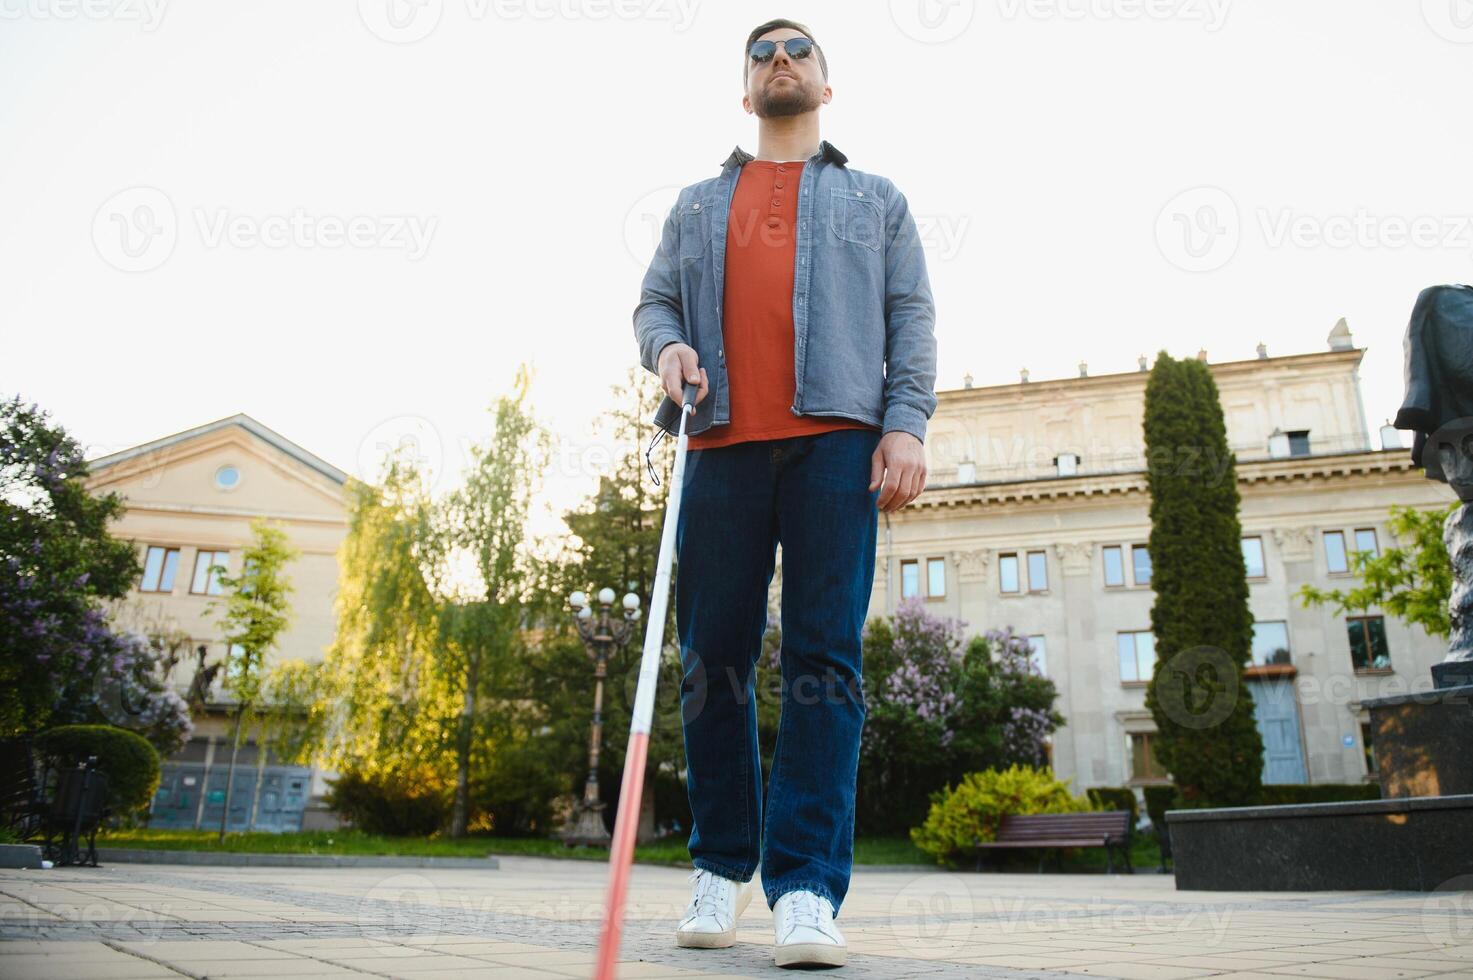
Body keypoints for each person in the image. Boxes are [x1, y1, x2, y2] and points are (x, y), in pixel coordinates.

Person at [632, 17, 937, 969]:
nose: (779, 61)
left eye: (796, 50)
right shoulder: (692, 206)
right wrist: (665, 347)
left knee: (823, 662)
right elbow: (652, 303)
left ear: (826, 85)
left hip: (836, 447)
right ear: (744, 90)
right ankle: (718, 871)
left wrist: (906, 423)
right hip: (719, 445)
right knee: (709, 660)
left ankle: (805, 889)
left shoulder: (876, 200)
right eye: (762, 53)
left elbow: (910, 314)